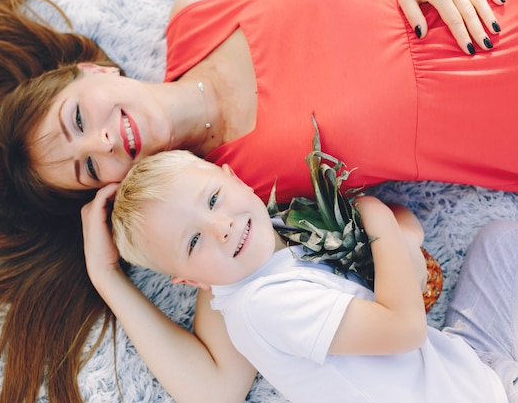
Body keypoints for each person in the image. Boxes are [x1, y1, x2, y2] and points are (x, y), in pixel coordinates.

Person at [0, 0, 517, 402]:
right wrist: (108, 279)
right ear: (109, 192)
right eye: (90, 168)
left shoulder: (200, 9)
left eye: (77, 119)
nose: (106, 141)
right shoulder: (236, 202)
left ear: (92, 73)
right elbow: (215, 385)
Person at [108, 149, 513, 403]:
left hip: (460, 363)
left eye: (213, 199)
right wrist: (376, 215)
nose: (221, 227)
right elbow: (404, 329)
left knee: (498, 242)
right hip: (468, 394)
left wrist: (400, 235)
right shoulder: (262, 306)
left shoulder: (281, 233)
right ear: (190, 281)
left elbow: (394, 230)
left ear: (233, 177)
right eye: (193, 242)